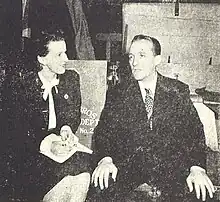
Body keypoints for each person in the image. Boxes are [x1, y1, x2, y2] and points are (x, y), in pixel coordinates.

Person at [86, 35, 215, 201]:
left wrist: (197, 168)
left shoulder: (177, 90)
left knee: (202, 192)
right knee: (99, 187)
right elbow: (103, 131)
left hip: (170, 167)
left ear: (157, 59)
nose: (134, 62)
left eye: (142, 55)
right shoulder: (117, 93)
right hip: (130, 166)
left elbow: (194, 132)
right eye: (131, 56)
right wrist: (105, 159)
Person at [1, 30, 91, 201]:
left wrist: (66, 129)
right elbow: (16, 133)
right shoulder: (20, 85)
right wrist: (48, 144)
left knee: (83, 174)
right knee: (64, 183)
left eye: (65, 52)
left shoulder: (71, 79)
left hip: (60, 151)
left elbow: (73, 116)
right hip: (30, 153)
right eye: (59, 54)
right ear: (42, 59)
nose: (66, 59)